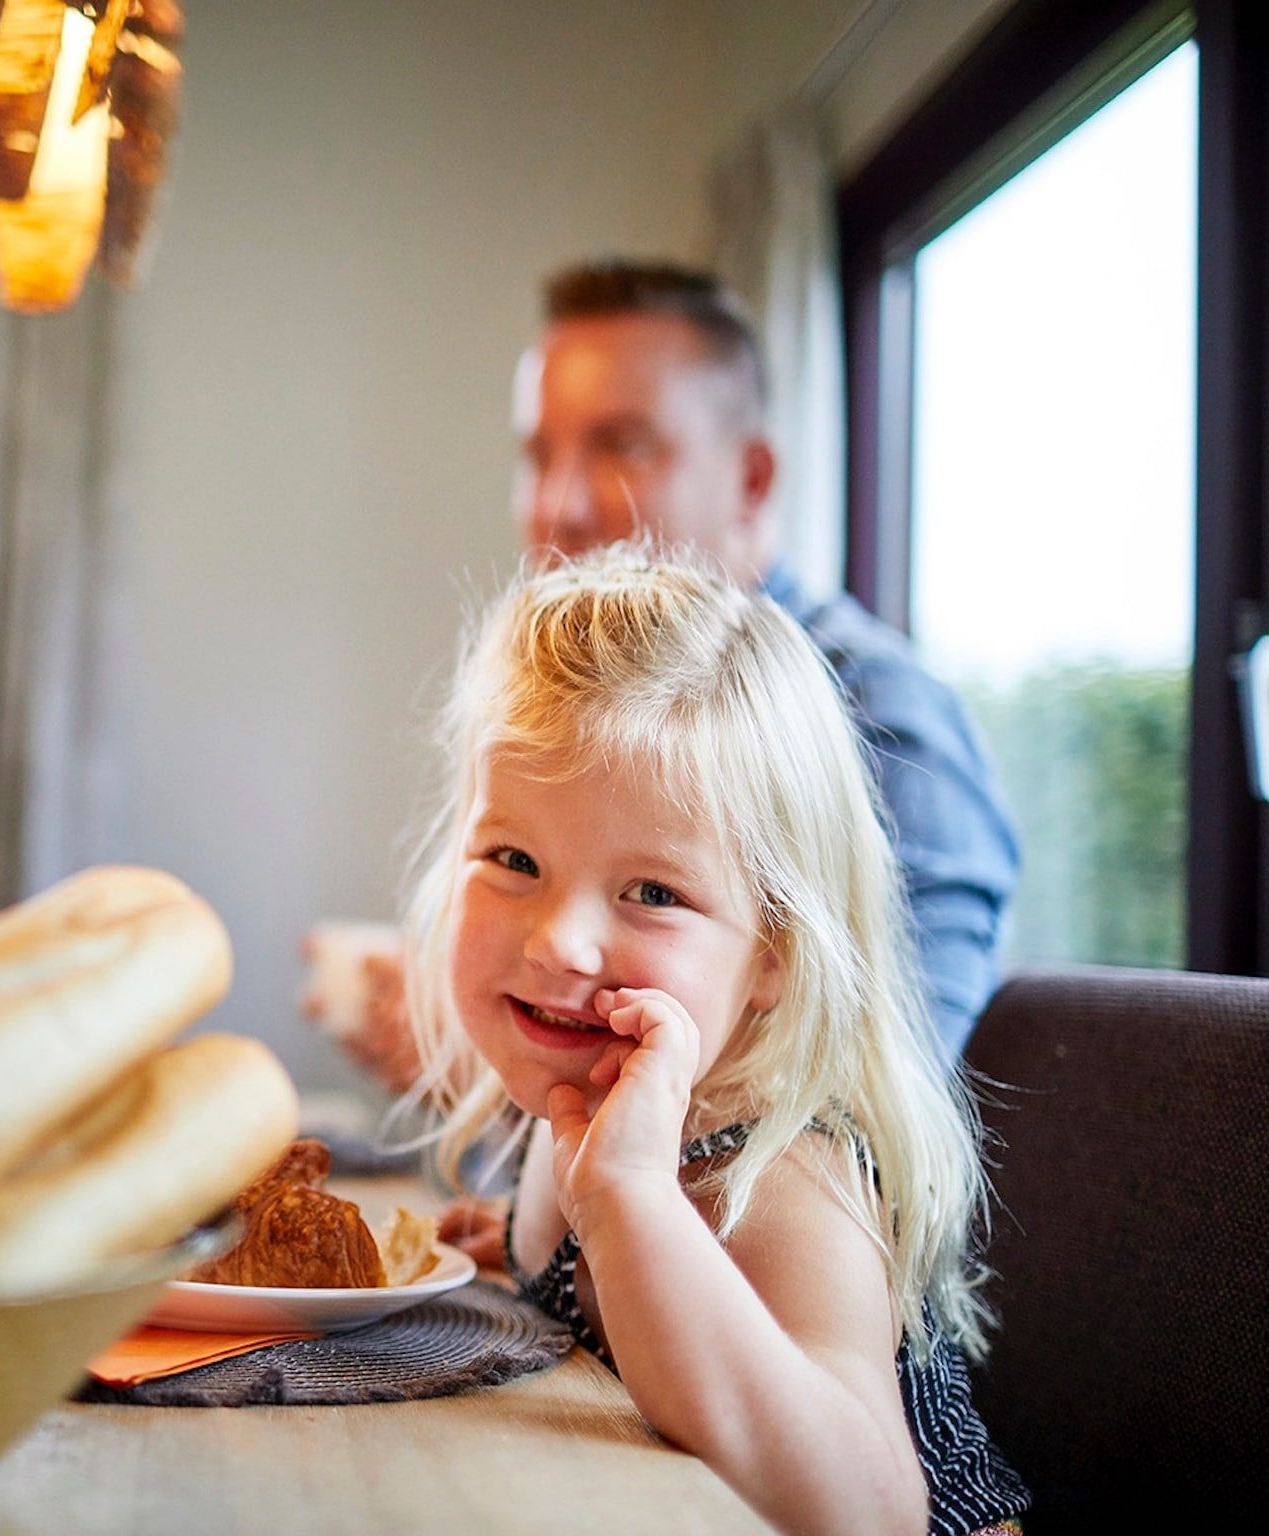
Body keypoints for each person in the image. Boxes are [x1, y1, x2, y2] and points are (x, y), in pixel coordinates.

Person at [404, 545, 1027, 1535]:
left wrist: (627, 1206)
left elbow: (870, 1509)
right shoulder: (597, 1092)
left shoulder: (778, 1176)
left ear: (773, 948)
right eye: (512, 858)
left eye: (652, 893)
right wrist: (532, 1253)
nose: (559, 942)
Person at [307, 261, 1016, 1095]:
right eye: (540, 454)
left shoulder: (878, 716)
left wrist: (480, 1068)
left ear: (752, 481)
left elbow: (881, 1120)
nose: (558, 506)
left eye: (622, 446)